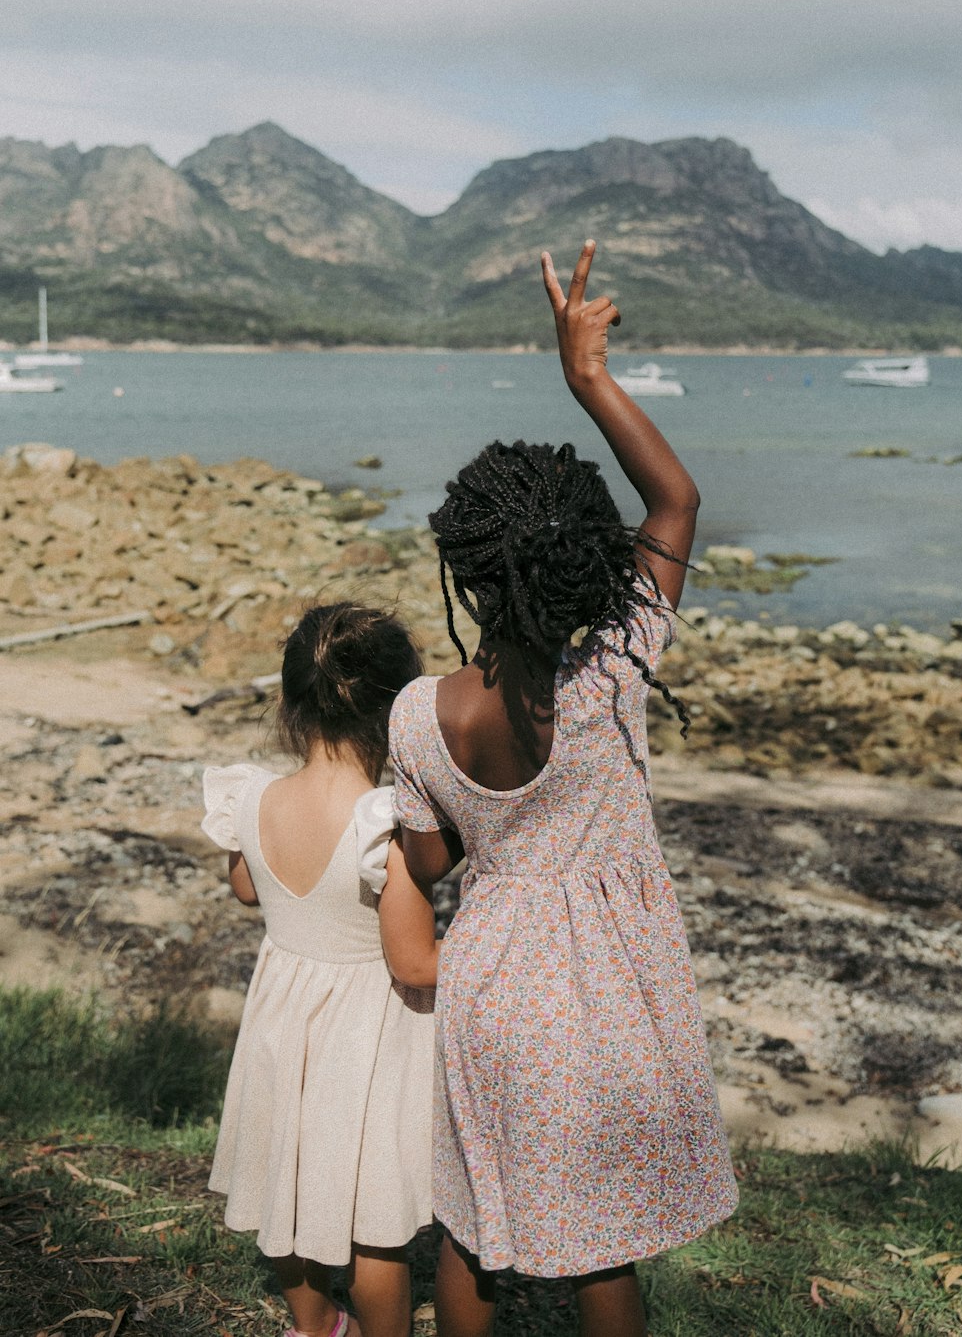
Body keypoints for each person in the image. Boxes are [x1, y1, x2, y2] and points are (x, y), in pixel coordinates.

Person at [387, 241, 738, 1337]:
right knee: (603, 1252)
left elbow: (434, 857)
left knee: (471, 1222)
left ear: (467, 568)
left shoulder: (416, 712)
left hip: (490, 979)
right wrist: (585, 377)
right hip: (603, 993)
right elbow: (674, 501)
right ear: (585, 554)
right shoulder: (608, 680)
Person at [202, 602, 439, 1337]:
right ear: (399, 710)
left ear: (290, 702)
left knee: (291, 1176)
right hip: (371, 1026)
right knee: (375, 1218)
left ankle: (312, 1326)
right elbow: (410, 956)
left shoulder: (255, 799)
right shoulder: (384, 822)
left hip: (284, 1011)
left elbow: (247, 888)